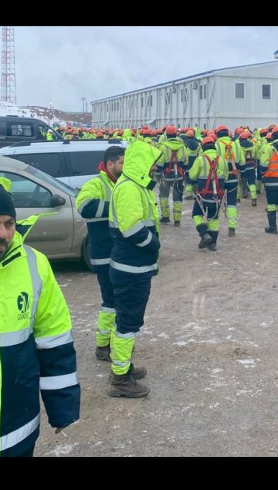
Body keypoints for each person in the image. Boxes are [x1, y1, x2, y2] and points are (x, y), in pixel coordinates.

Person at [0, 176, 80, 456]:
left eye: (9, 223)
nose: (3, 233)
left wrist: (62, 406)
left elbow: (54, 339)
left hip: (15, 430)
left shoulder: (33, 264)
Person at [107, 140, 162, 398]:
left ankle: (123, 367)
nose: (153, 170)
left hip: (134, 267)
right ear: (141, 163)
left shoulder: (135, 185)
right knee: (127, 323)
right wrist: (153, 244)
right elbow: (132, 229)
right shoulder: (130, 188)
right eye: (151, 165)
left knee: (128, 321)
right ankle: (120, 378)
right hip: (131, 268)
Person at [76, 145, 125, 361]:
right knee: (111, 301)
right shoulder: (95, 184)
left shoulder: (123, 183)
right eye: (122, 162)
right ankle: (103, 346)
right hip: (104, 254)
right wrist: (117, 207)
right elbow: (84, 206)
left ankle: (110, 343)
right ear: (110, 164)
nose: (125, 166)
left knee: (118, 300)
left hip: (120, 254)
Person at [190, 136, 228, 250]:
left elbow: (192, 175)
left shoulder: (200, 159)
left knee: (196, 214)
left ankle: (204, 234)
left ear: (203, 147)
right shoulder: (222, 159)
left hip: (203, 194)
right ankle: (213, 244)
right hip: (217, 194)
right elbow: (225, 176)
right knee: (214, 217)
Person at [155, 126, 187, 226]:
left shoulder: (162, 146)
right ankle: (177, 220)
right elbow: (186, 163)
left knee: (163, 195)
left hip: (166, 175)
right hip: (179, 176)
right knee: (178, 197)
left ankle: (165, 217)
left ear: (166, 135)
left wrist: (157, 175)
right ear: (176, 134)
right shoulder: (182, 146)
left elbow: (160, 164)